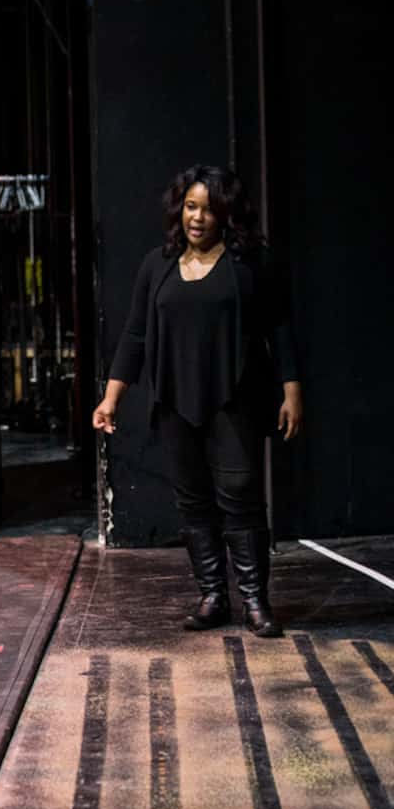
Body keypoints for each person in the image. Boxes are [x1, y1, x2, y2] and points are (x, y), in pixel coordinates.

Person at [93, 164, 302, 637]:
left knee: (241, 497)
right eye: (191, 206)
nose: (198, 218)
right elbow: (134, 336)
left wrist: (292, 391)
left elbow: (280, 328)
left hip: (235, 398)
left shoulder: (250, 264)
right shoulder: (157, 264)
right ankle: (212, 596)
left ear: (226, 213)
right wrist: (111, 398)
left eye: (209, 209)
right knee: (192, 501)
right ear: (178, 209)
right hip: (174, 400)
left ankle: (254, 601)